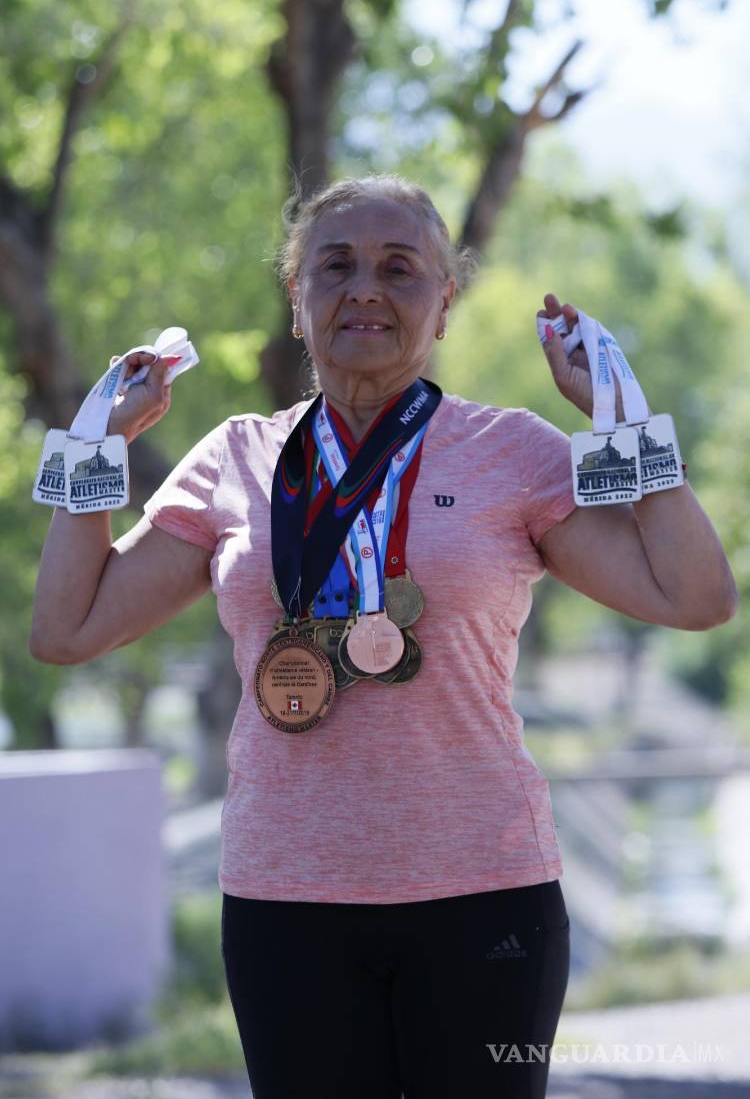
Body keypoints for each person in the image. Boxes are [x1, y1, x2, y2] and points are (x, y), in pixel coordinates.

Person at [29, 173, 738, 1099]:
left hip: (486, 897)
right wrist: (93, 450)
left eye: (400, 268)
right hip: (285, 901)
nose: (365, 287)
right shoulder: (235, 458)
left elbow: (695, 596)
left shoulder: (514, 451)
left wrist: (625, 420)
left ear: (443, 306)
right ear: (298, 302)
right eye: (336, 266)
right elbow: (65, 627)